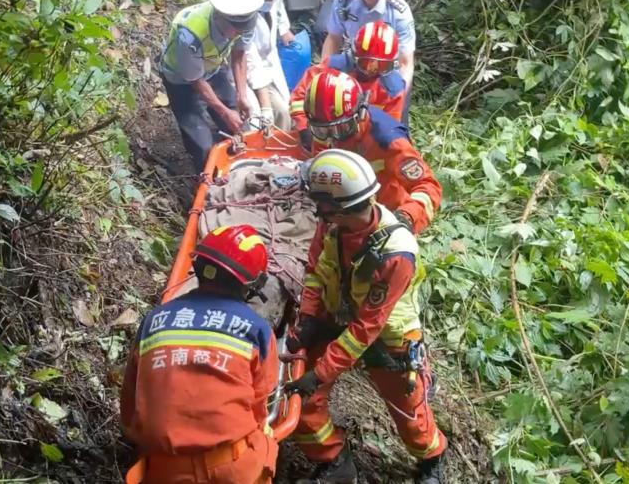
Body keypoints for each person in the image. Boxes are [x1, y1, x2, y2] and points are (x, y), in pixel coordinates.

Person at [283, 149, 447, 484]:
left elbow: (367, 327)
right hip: (335, 318)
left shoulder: (396, 253)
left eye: (321, 206)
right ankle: (334, 460)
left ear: (338, 208)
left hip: (388, 339)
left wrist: (322, 371)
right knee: (304, 400)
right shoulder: (332, 227)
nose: (318, 212)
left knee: (410, 417)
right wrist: (310, 317)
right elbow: (316, 269)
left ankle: (432, 457)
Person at [121, 225, 279, 484]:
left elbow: (129, 404)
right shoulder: (257, 330)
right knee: (267, 438)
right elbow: (259, 406)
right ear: (251, 284)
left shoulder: (154, 321)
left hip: (164, 470)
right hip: (231, 467)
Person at [300, 70, 440, 234]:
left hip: (386, 215)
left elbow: (428, 186)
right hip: (344, 213)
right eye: (323, 130)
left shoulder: (388, 139)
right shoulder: (327, 128)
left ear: (360, 113)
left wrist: (405, 218)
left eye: (341, 128)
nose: (332, 137)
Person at [158, 0, 269, 172]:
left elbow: (239, 54)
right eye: (234, 30)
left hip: (214, 67)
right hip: (183, 79)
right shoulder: (190, 33)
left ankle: (239, 168)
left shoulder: (246, 21)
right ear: (219, 16)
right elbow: (195, 80)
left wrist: (241, 95)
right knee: (203, 147)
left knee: (240, 126)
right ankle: (210, 182)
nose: (237, 34)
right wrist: (224, 112)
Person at [323, 0, 416, 89]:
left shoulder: (399, 12)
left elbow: (405, 62)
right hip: (355, 63)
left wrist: (399, 96)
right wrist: (326, 78)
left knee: (394, 99)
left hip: (388, 72)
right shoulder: (345, 0)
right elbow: (333, 38)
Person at [290, 20, 408, 133]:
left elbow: (389, 130)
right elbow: (299, 97)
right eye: (365, 64)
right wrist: (304, 127)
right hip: (324, 132)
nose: (371, 70)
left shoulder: (393, 89)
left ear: (392, 64)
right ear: (353, 57)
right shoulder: (331, 68)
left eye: (381, 66)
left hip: (366, 142)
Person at [243, 0, 295, 131]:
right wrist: (265, 106)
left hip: (267, 62)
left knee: (283, 111)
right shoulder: (239, 9)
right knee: (255, 121)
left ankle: (281, 155)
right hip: (241, 68)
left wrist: (284, 28)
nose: (270, 2)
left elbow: (279, 10)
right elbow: (250, 60)